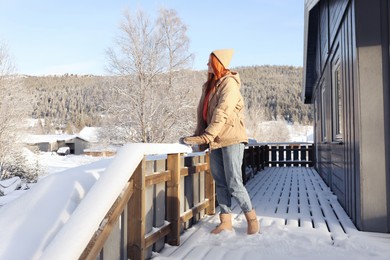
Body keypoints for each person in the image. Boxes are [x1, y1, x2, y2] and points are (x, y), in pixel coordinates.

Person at [183, 49, 259, 235]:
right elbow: (204, 114)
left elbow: (222, 113)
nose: (207, 65)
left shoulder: (229, 84)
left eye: (210, 62)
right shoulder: (210, 85)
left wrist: (207, 136)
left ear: (219, 63)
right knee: (220, 181)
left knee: (234, 181)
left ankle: (252, 219)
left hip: (231, 138)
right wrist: (199, 135)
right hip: (215, 139)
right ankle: (226, 221)